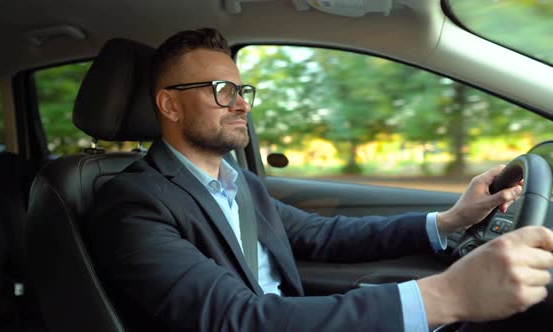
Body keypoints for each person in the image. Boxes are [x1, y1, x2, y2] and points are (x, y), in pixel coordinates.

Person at [86, 28, 553, 332]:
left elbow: (323, 235)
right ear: (169, 105)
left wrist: (448, 221)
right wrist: (447, 295)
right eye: (221, 91)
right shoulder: (133, 202)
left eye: (242, 89)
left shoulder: (239, 184)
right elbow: (235, 319)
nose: (243, 104)